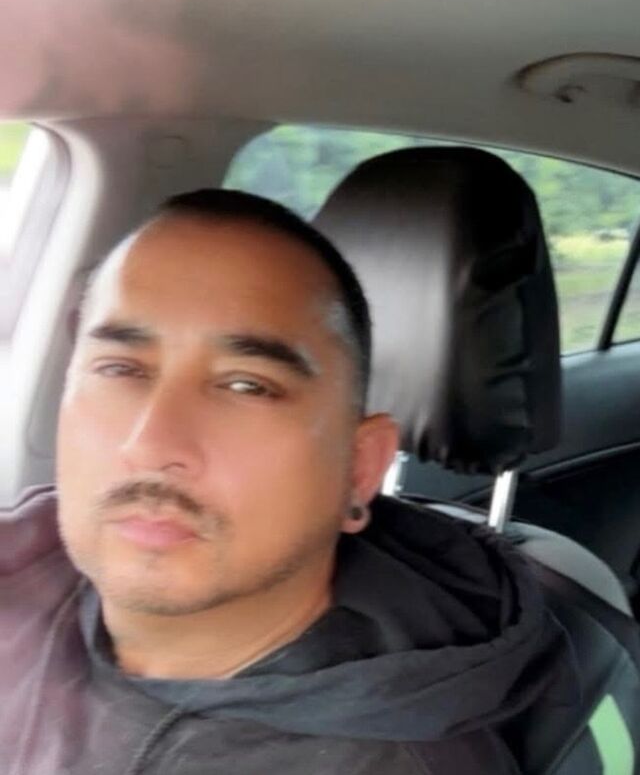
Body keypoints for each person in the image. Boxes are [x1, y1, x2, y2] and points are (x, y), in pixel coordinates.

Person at [0, 189, 574, 774]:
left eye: (246, 386)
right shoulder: (22, 560)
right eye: (119, 369)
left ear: (358, 469)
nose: (148, 445)